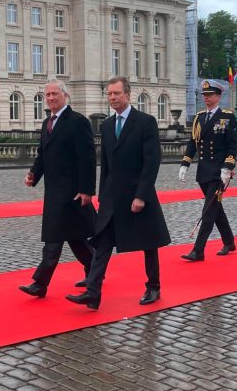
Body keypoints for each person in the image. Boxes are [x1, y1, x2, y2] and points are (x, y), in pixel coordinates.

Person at [67, 77, 171, 309]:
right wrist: (102, 195)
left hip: (137, 195)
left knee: (148, 242)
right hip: (112, 197)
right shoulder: (106, 125)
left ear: (128, 94)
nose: (112, 98)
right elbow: (105, 164)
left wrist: (142, 195)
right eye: (109, 94)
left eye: (116, 93)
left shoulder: (145, 122)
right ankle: (93, 293)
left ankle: (153, 286)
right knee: (102, 243)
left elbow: (152, 162)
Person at [19, 80, 96, 297]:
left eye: (55, 94)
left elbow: (87, 158)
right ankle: (95, 269)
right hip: (53, 191)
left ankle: (40, 284)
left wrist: (87, 190)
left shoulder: (78, 121)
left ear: (65, 95)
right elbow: (43, 154)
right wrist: (33, 175)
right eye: (48, 95)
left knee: (53, 239)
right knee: (76, 237)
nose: (51, 98)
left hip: (72, 191)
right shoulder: (47, 123)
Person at [180, 80, 237, 261]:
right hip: (204, 170)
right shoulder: (199, 117)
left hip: (219, 172)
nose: (206, 98)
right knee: (215, 207)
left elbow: (232, 145)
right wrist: (185, 163)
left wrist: (228, 167)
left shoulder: (227, 116)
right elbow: (193, 142)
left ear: (218, 96)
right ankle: (229, 241)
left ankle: (198, 250)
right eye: (204, 95)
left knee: (209, 209)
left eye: (210, 95)